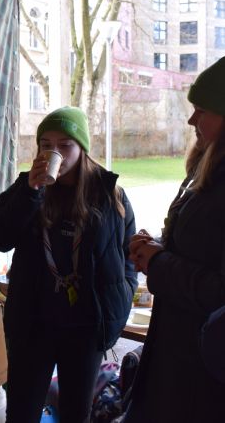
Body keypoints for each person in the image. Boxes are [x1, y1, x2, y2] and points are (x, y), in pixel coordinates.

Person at [0, 106, 137, 423]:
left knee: (75, 414)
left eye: (65, 145)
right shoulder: (26, 187)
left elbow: (127, 258)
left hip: (85, 329)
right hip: (34, 325)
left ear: (82, 149)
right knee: (22, 412)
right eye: (46, 144)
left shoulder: (110, 195)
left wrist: (119, 302)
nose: (54, 152)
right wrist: (30, 192)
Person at [124, 57, 225, 422]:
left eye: (202, 111)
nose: (191, 120)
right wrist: (158, 244)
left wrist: (158, 261)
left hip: (202, 374)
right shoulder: (206, 165)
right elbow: (200, 244)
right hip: (175, 351)